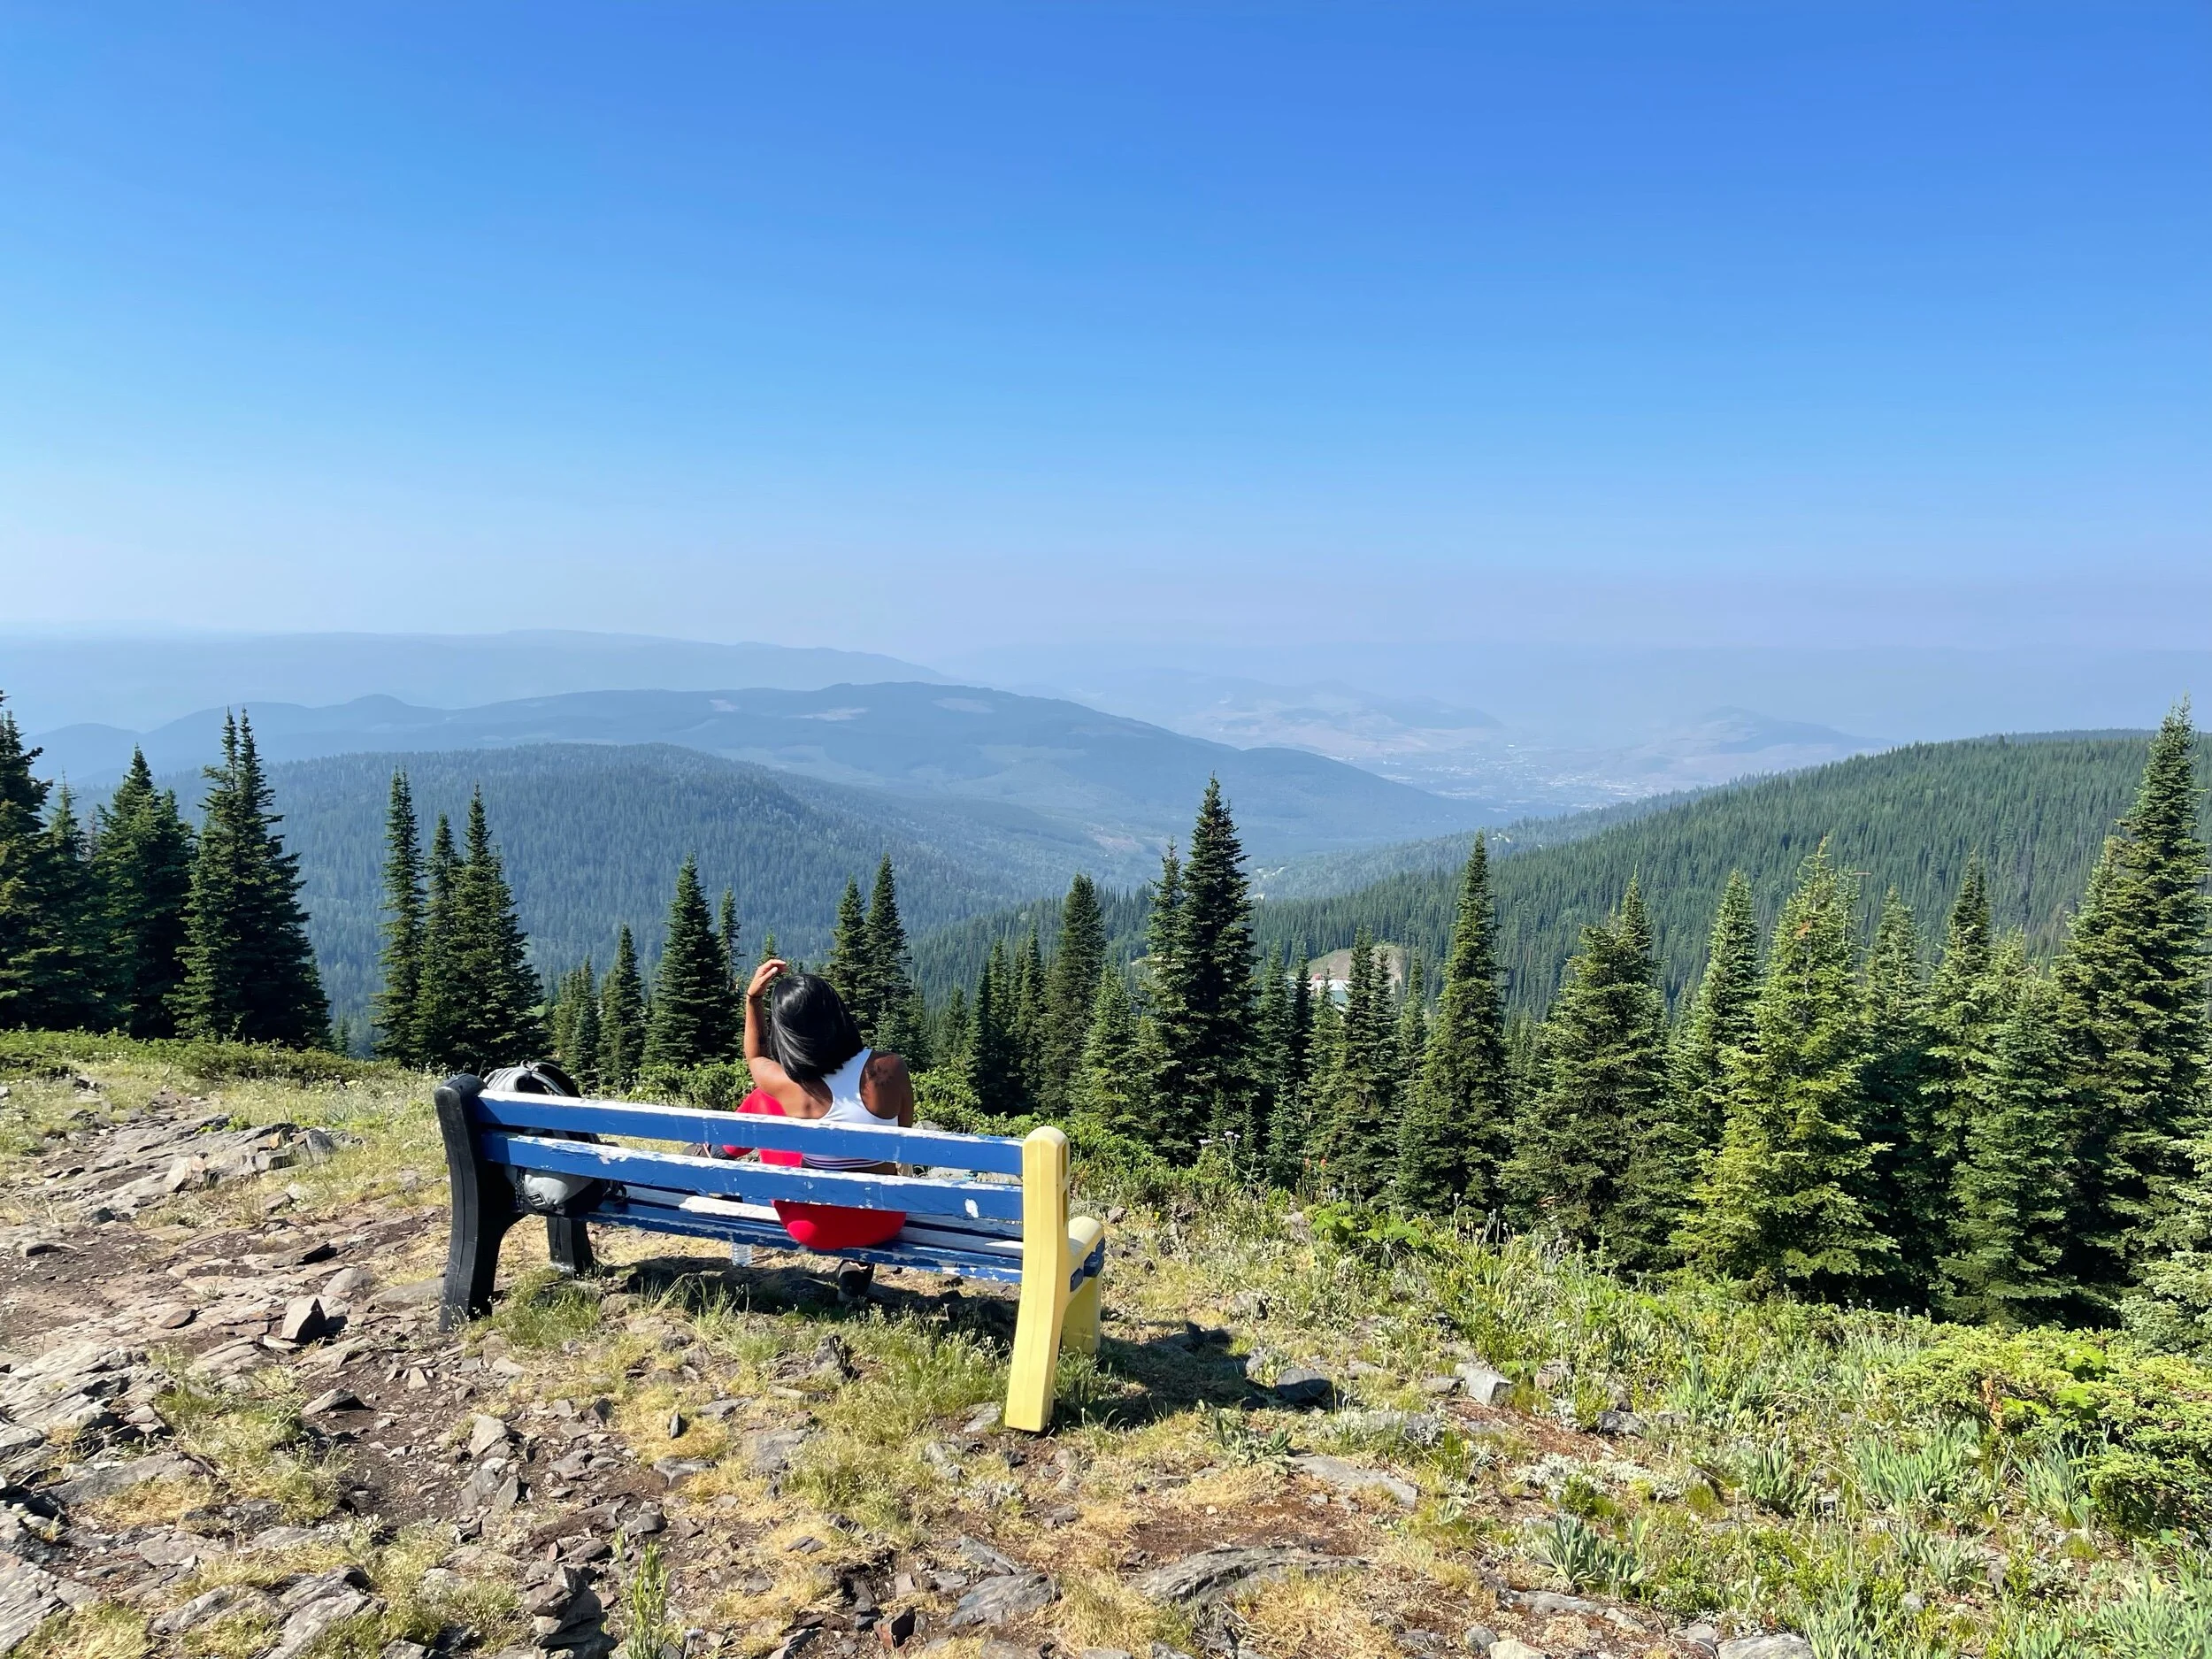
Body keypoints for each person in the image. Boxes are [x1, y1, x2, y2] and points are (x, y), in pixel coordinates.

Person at [726, 958, 915, 1277]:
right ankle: (859, 1258)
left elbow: (756, 1055)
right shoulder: (889, 1067)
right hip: (882, 1220)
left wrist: (753, 999)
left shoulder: (789, 1087)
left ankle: (717, 1149)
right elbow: (903, 1137)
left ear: (787, 1033)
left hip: (811, 1227)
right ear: (837, 1015)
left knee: (764, 1100)